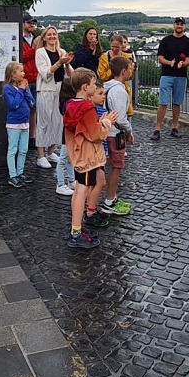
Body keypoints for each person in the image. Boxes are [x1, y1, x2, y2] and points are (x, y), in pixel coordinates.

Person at [63, 68, 118, 249]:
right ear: (86, 87)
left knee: (83, 187)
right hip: (87, 156)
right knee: (81, 190)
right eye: (94, 84)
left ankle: (78, 226)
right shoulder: (87, 107)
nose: (96, 87)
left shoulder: (71, 104)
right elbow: (96, 134)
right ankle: (75, 232)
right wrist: (106, 122)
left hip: (80, 154)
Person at [34, 25, 73, 169]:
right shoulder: (40, 52)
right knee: (44, 121)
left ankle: (51, 151)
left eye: (54, 34)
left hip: (60, 89)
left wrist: (67, 64)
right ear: (44, 38)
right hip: (45, 90)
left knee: (57, 121)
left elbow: (70, 74)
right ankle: (41, 155)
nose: (52, 37)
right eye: (49, 34)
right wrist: (59, 63)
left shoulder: (61, 51)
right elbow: (45, 73)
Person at [101, 55, 135, 216]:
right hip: (115, 134)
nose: (132, 70)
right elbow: (121, 118)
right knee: (116, 167)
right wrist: (129, 131)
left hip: (107, 131)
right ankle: (109, 200)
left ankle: (111, 198)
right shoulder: (119, 91)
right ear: (123, 71)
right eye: (130, 68)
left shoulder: (107, 88)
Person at [153, 17, 189, 139]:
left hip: (181, 76)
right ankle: (157, 129)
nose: (179, 26)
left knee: (177, 103)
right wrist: (169, 63)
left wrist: (183, 64)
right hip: (166, 74)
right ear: (174, 26)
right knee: (163, 102)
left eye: (181, 24)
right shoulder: (165, 41)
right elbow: (160, 58)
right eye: (177, 24)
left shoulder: (188, 42)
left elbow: (188, 59)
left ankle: (174, 127)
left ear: (184, 26)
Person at [2, 62, 35, 188]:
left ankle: (20, 172)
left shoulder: (23, 88)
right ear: (13, 74)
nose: (24, 74)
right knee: (13, 149)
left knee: (23, 150)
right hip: (14, 124)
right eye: (21, 71)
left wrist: (25, 90)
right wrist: (21, 90)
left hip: (25, 123)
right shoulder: (8, 89)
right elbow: (13, 105)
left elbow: (32, 102)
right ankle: (13, 175)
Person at [19, 14, 40, 140]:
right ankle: (22, 135)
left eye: (33, 23)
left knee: (34, 109)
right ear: (23, 24)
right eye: (29, 22)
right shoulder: (18, 39)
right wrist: (33, 49)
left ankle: (32, 136)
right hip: (24, 78)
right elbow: (21, 57)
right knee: (23, 108)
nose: (32, 25)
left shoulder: (36, 39)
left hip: (36, 77)